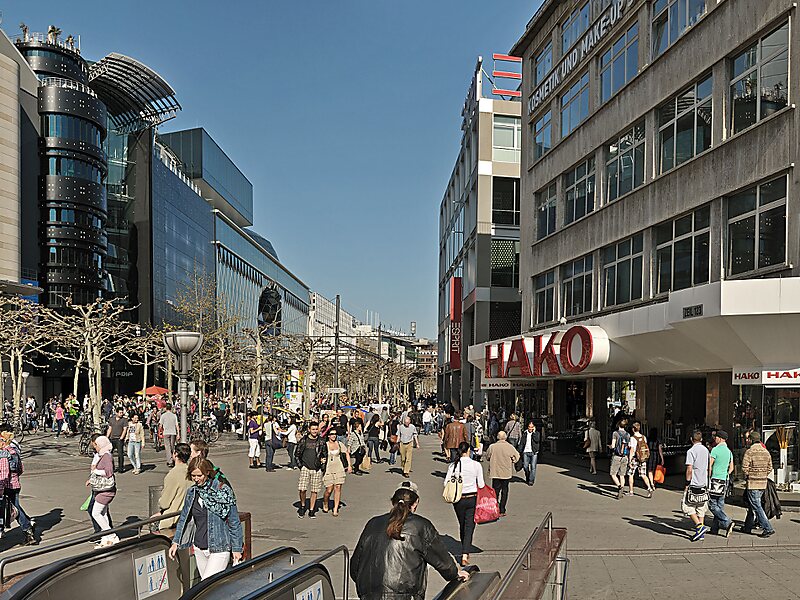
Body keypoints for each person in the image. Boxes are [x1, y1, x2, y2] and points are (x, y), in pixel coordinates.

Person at [351, 481, 469, 600]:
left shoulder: (373, 523)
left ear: (393, 501)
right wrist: (455, 572)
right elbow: (443, 561)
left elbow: (355, 567)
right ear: (416, 503)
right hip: (405, 595)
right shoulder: (421, 525)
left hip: (369, 595)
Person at [169, 457, 243, 580]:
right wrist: (176, 542)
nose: (196, 479)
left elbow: (234, 521)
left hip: (220, 547)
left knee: (206, 586)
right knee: (210, 591)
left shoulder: (223, 491)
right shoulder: (192, 492)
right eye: (193, 476)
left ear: (207, 472)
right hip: (199, 547)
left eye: (199, 475)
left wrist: (236, 549)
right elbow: (184, 518)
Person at [445, 441, 486, 566]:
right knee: (469, 526)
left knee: (462, 524)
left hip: (458, 499)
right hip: (472, 497)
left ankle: (464, 548)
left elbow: (446, 482)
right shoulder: (476, 465)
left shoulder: (453, 466)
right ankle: (465, 553)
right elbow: (481, 484)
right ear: (469, 451)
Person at [86, 435, 118, 548]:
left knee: (96, 513)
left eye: (97, 445)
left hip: (105, 490)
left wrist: (96, 471)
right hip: (103, 489)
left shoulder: (106, 456)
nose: (96, 447)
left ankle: (111, 535)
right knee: (103, 513)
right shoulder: (103, 455)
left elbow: (109, 472)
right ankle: (106, 539)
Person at [741, 430, 775, 538]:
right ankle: (747, 526)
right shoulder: (766, 452)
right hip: (763, 483)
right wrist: (763, 474)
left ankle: (768, 528)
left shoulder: (749, 452)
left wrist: (751, 475)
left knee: (756, 506)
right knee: (753, 505)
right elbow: (770, 467)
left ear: (751, 440)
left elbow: (744, 468)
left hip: (753, 483)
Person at [155, 442, 193, 531]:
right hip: (188, 516)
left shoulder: (173, 474)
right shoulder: (191, 472)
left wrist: (160, 504)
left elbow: (165, 503)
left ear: (175, 454)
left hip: (173, 518)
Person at [684, 430, 710, 541]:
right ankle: (701, 534)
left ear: (691, 439)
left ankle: (699, 527)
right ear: (702, 439)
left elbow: (689, 469)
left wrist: (687, 482)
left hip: (694, 483)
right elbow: (709, 467)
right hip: (704, 482)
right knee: (701, 507)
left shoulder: (691, 451)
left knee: (687, 506)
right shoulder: (706, 450)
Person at [484, 431, 519, 517]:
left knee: (495, 490)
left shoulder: (492, 447)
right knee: (505, 491)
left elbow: (487, 456)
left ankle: (495, 507)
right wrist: (512, 461)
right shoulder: (509, 447)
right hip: (506, 472)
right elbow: (517, 456)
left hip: (495, 472)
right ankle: (502, 509)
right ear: (505, 437)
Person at [296, 421, 326, 518]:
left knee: (314, 490)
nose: (314, 431)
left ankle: (312, 510)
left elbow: (325, 454)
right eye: (313, 429)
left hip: (316, 469)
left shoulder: (321, 441)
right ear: (309, 430)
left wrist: (323, 464)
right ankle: (303, 506)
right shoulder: (304, 440)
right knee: (302, 489)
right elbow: (297, 454)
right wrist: (300, 466)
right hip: (305, 467)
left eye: (316, 429)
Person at [708, 430, 734, 537]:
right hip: (724, 480)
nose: (715, 439)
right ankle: (715, 528)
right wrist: (725, 474)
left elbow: (709, 465)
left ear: (720, 438)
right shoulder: (729, 452)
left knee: (712, 504)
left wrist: (709, 476)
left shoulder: (715, 450)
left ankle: (727, 522)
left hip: (715, 479)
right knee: (720, 504)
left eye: (716, 437)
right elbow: (731, 468)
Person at [322, 428, 352, 516]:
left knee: (338, 487)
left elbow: (346, 453)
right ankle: (325, 502)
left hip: (339, 467)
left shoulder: (339, 444)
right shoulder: (325, 445)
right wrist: (321, 460)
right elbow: (319, 454)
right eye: (332, 434)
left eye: (335, 434)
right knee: (329, 489)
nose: (334, 435)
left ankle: (335, 508)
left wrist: (349, 465)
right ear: (328, 435)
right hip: (328, 468)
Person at [627, 421, 655, 497]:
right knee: (643, 474)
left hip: (635, 458)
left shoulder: (632, 438)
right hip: (643, 458)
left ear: (633, 429)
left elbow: (632, 450)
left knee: (631, 474)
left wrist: (629, 460)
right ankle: (649, 488)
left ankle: (631, 491)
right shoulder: (644, 437)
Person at [609, 420, 630, 499]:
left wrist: (610, 446)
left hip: (617, 456)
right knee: (622, 475)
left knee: (613, 474)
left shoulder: (615, 433)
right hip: (625, 457)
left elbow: (613, 446)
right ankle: (622, 487)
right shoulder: (628, 435)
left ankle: (619, 487)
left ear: (618, 425)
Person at [106, 407, 129, 473]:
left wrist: (121, 438)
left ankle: (120, 468)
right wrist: (107, 437)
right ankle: (111, 467)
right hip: (112, 438)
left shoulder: (124, 420)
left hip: (119, 439)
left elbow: (125, 429)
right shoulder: (112, 419)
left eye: (122, 412)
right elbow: (110, 428)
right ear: (116, 413)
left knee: (120, 454)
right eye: (120, 413)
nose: (121, 414)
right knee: (109, 454)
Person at [517, 421, 541, 486]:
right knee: (525, 466)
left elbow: (537, 440)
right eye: (529, 427)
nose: (530, 428)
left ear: (534, 427)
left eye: (532, 427)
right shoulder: (525, 433)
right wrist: (519, 451)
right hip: (525, 451)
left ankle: (531, 480)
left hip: (533, 452)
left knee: (533, 467)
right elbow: (522, 443)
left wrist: (534, 432)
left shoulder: (537, 433)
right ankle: (528, 476)